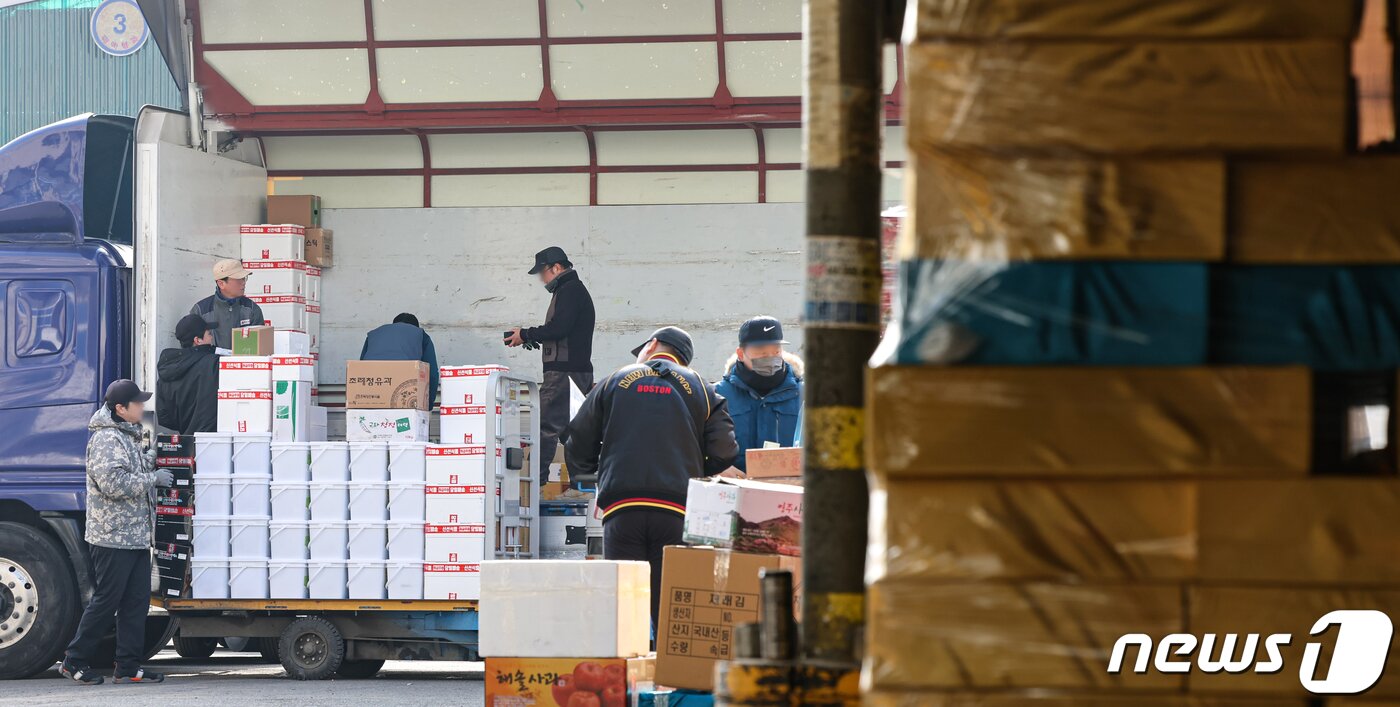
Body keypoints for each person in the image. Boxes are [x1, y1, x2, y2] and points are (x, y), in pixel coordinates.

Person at [565, 327, 738, 628]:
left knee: (624, 612)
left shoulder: (615, 380)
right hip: (676, 512)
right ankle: (665, 658)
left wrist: (593, 472)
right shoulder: (702, 388)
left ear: (653, 344)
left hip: (622, 509)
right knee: (669, 611)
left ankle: (627, 658)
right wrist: (694, 469)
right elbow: (725, 451)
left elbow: (578, 438)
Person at [61, 380, 174, 685]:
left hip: (134, 535)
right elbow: (114, 484)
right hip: (112, 536)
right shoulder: (106, 439)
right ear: (121, 409)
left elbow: (131, 472)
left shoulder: (127, 435)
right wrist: (153, 479)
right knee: (107, 601)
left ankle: (128, 666)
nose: (142, 407)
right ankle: (74, 660)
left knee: (136, 603)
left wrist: (153, 455)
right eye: (137, 403)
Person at [506, 246, 596, 482]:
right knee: (571, 431)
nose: (542, 279)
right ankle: (583, 482)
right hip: (576, 371)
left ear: (556, 268)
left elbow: (559, 328)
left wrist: (526, 334)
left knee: (545, 427)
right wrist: (532, 338)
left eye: (543, 272)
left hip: (563, 373)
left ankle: (534, 485)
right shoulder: (572, 290)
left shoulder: (569, 290)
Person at [714, 316, 804, 471]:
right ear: (740, 353)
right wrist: (718, 470)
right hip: (735, 484)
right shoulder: (718, 395)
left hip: (790, 485)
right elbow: (697, 447)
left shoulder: (804, 394)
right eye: (761, 352)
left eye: (776, 351)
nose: (770, 358)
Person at [156, 314, 220, 434]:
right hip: (213, 440)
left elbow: (164, 417)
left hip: (185, 440)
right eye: (209, 334)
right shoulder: (214, 363)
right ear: (197, 340)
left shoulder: (167, 367)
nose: (211, 337)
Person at [361, 313, 440, 408]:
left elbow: (361, 367)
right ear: (416, 327)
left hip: (371, 393)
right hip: (403, 396)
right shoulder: (420, 334)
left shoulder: (373, 334)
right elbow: (431, 373)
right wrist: (428, 404)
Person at [190, 259, 264, 351]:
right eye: (238, 279)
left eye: (244, 278)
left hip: (242, 360)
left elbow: (260, 346)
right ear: (221, 284)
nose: (243, 282)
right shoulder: (200, 310)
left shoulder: (252, 309)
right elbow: (192, 349)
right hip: (210, 360)